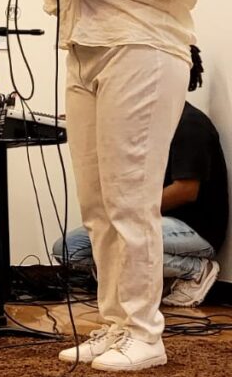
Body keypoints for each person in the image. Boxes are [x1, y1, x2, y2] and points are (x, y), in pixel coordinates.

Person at [26, 0, 199, 372]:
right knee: (97, 203)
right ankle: (115, 322)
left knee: (130, 199)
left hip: (142, 52)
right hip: (87, 55)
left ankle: (146, 335)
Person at [53, 46, 227, 308]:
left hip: (194, 229)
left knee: (119, 238)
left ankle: (194, 269)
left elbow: (186, 190)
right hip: (151, 220)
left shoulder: (190, 124)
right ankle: (161, 277)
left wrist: (127, 210)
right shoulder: (149, 124)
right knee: (69, 249)